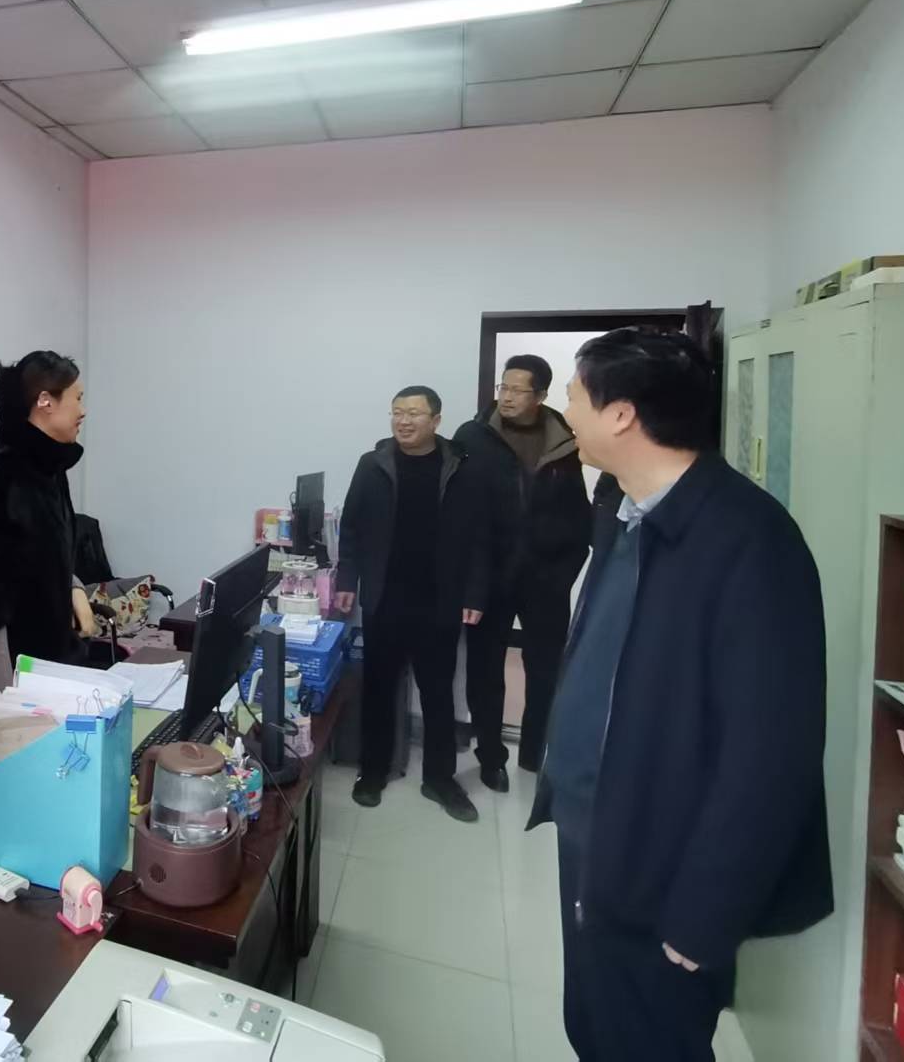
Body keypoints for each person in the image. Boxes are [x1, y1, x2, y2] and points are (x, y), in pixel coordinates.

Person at [530, 329, 832, 1060]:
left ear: (621, 415)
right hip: (594, 832)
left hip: (663, 861)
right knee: (593, 1026)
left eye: (575, 394)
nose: (565, 409)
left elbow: (771, 756)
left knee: (650, 1041)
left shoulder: (750, 540)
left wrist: (706, 915)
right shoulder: (626, 508)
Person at [335, 386, 490, 821]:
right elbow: (352, 525)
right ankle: (372, 771)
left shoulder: (461, 467)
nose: (403, 421)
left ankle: (440, 779)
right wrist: (347, 579)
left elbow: (480, 536)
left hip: (440, 600)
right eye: (397, 412)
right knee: (379, 689)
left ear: (436, 420)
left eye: (414, 414)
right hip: (385, 597)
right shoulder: (372, 464)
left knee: (438, 694)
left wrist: (475, 592)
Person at [453, 354, 591, 786]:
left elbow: (577, 512)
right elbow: (459, 512)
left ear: (541, 395)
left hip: (546, 580)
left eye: (518, 389)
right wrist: (469, 579)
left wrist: (565, 570)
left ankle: (534, 751)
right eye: (504, 387)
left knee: (546, 669)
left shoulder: (563, 439)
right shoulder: (473, 436)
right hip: (489, 578)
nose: (507, 397)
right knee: (485, 671)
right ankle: (490, 757)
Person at [0, 351, 99, 712]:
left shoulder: (47, 469)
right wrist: (4, 705)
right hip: (6, 679)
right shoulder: (4, 477)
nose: (83, 410)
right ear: (45, 402)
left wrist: (73, 588)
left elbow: (41, 554)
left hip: (44, 664)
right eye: (77, 398)